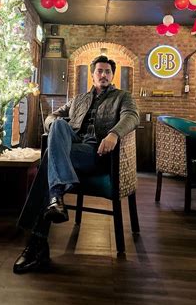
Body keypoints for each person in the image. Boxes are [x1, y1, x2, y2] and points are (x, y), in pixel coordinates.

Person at [13, 55, 139, 274]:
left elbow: (132, 116)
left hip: (96, 152)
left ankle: (38, 240)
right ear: (92, 75)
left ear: (112, 75)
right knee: (58, 125)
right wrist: (54, 126)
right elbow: (51, 117)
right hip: (71, 148)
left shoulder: (122, 97)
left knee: (49, 159)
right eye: (99, 71)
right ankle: (54, 202)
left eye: (107, 71)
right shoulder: (78, 99)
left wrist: (114, 134)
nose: (103, 75)